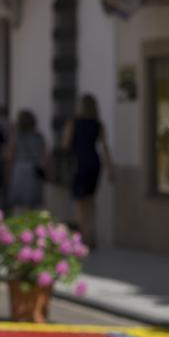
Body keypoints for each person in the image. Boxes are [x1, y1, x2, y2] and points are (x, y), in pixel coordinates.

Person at [62, 94, 113, 248]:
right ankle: (91, 235)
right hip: (94, 162)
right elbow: (105, 147)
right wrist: (111, 169)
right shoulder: (98, 124)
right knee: (91, 201)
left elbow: (65, 144)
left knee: (80, 202)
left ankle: (82, 237)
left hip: (80, 162)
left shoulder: (74, 123)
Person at [7, 109, 47, 212]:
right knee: (32, 201)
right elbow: (44, 155)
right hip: (34, 168)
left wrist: (8, 171)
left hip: (20, 168)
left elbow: (11, 154)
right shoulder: (38, 137)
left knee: (19, 201)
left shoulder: (17, 136)